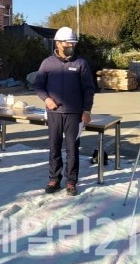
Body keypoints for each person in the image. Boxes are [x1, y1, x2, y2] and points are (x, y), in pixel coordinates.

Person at [34, 27, 95, 197]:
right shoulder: (47, 63)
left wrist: (87, 111)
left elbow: (88, 89)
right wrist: (46, 99)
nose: (70, 46)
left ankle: (71, 181)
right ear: (58, 43)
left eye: (72, 43)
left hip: (74, 113)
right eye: (68, 43)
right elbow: (38, 86)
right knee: (54, 147)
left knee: (72, 149)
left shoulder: (80, 64)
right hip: (53, 113)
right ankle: (54, 179)